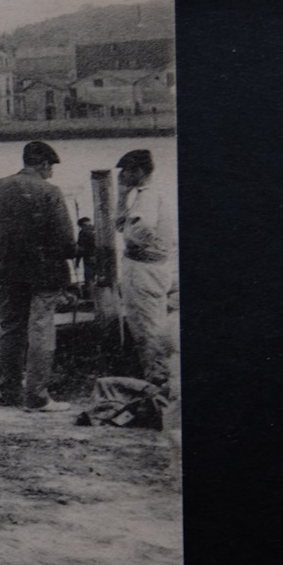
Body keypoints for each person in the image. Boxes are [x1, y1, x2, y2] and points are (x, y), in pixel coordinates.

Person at [0, 140, 78, 412]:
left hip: (7, 268)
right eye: (51, 168)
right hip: (44, 271)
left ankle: (9, 389)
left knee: (10, 328)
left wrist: (2, 257)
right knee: (41, 329)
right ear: (44, 164)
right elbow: (66, 239)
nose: (51, 173)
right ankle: (37, 396)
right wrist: (75, 253)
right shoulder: (51, 191)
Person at [115, 149, 177, 388]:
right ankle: (161, 382)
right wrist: (122, 197)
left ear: (138, 171)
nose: (122, 175)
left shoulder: (147, 197)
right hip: (155, 268)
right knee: (154, 326)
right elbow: (122, 225)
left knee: (146, 331)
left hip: (142, 268)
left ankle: (158, 385)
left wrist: (130, 239)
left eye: (126, 170)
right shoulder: (151, 194)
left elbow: (138, 231)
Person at [73, 216, 98, 291]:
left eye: (89, 225)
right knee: (89, 279)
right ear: (82, 227)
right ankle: (91, 294)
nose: (88, 227)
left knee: (94, 279)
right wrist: (77, 261)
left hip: (97, 258)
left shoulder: (97, 232)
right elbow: (80, 249)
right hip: (89, 259)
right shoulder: (82, 234)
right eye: (85, 226)